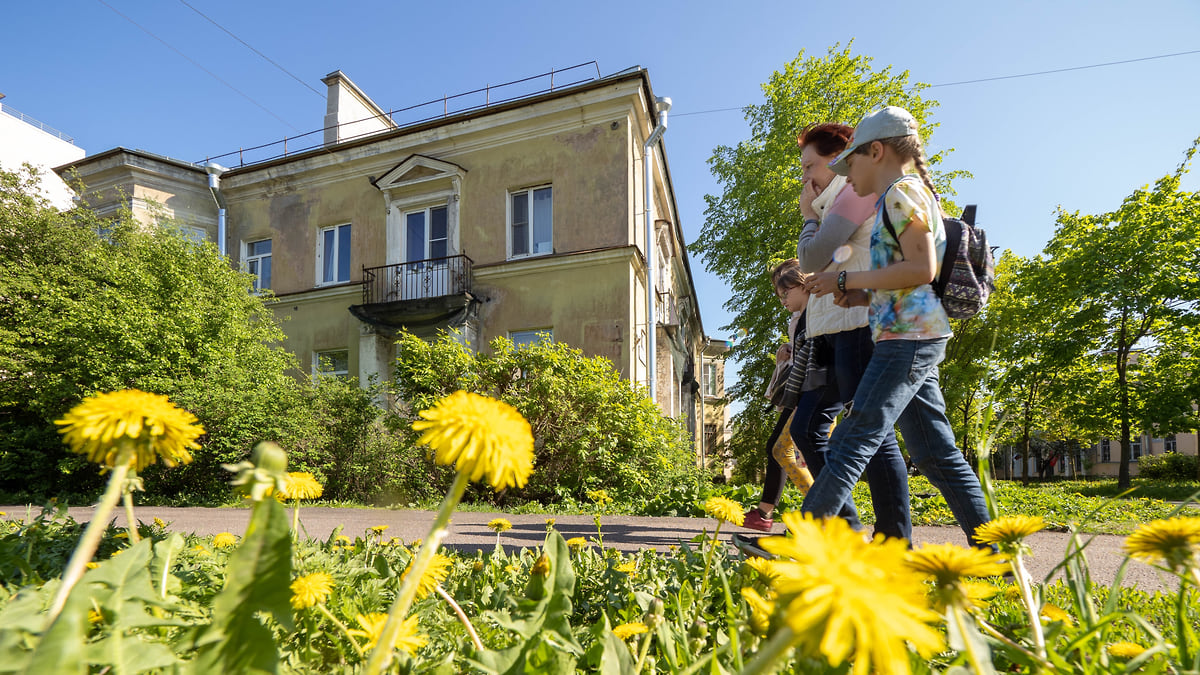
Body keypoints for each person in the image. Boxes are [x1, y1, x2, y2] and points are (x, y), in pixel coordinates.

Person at [802, 106, 993, 547]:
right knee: (935, 453)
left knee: (854, 433)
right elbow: (908, 278)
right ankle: (996, 551)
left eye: (851, 164)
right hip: (915, 332)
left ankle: (805, 540)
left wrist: (845, 278)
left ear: (877, 151)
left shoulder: (899, 194)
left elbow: (922, 268)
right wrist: (863, 293)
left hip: (908, 338)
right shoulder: (912, 193)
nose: (848, 178)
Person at [789, 123, 912, 541]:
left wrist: (808, 217)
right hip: (835, 328)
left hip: (858, 326)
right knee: (810, 428)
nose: (805, 177)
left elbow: (813, 256)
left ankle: (891, 539)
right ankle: (849, 529)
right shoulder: (834, 201)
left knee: (873, 436)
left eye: (810, 166)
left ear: (838, 158)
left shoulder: (851, 193)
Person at [743, 259, 860, 532]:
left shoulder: (816, 310)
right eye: (779, 294)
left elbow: (816, 353)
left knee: (790, 445)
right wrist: (787, 351)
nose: (782, 299)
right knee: (787, 446)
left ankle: (824, 513)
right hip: (809, 388)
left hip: (818, 387)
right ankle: (824, 514)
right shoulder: (801, 317)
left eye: (786, 293)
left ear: (804, 284)